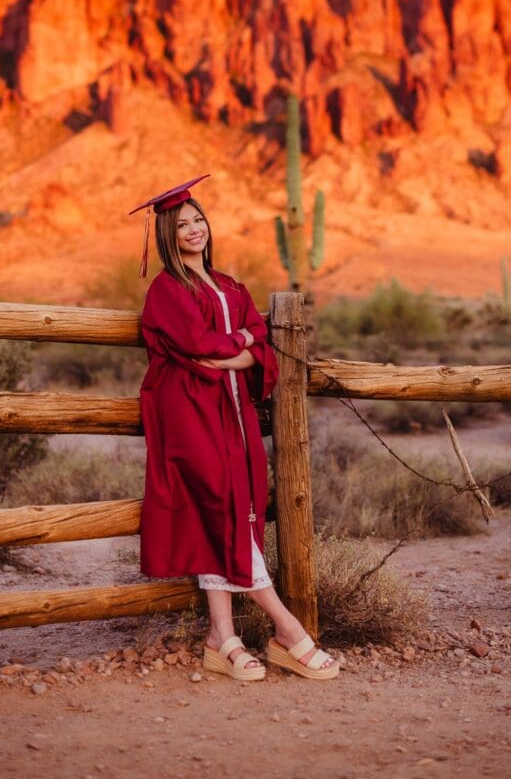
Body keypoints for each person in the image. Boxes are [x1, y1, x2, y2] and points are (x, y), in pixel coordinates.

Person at [132, 175, 339, 681]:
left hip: (234, 417)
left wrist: (241, 349)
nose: (193, 229)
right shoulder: (166, 291)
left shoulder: (228, 286)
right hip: (190, 416)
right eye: (181, 224)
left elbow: (258, 345)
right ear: (167, 234)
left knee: (226, 512)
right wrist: (238, 350)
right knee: (222, 507)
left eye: (198, 219)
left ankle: (220, 637)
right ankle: (287, 629)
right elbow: (200, 346)